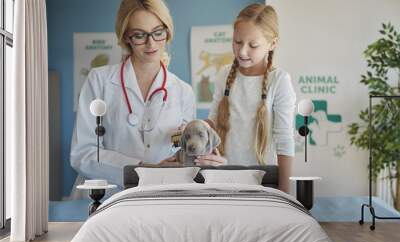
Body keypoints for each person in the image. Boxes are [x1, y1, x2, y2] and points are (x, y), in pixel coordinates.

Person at [70, 0, 195, 190]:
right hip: (106, 196)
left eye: (158, 32)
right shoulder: (99, 81)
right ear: (126, 37)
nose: (151, 43)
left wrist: (197, 154)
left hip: (158, 195)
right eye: (139, 35)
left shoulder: (183, 92)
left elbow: (182, 154)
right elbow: (83, 154)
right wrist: (142, 170)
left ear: (167, 32)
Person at [199, 4, 296, 193]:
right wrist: (194, 127)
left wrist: (285, 191)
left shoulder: (279, 80)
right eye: (237, 42)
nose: (242, 51)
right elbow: (213, 121)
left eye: (253, 45)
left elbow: (284, 139)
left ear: (272, 44)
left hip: (263, 181)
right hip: (222, 176)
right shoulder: (223, 75)